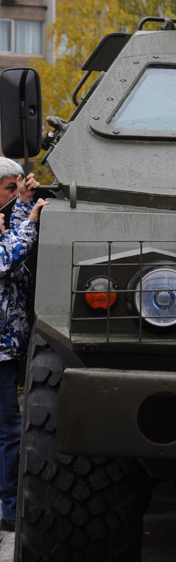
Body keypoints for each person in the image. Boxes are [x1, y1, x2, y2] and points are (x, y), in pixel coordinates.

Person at [0, 160, 48, 533]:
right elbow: (6, 258)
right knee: (10, 430)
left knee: (9, 428)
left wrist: (23, 204)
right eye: (10, 188)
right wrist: (31, 219)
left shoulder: (5, 223)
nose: (14, 196)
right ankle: (10, 508)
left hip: (7, 348)